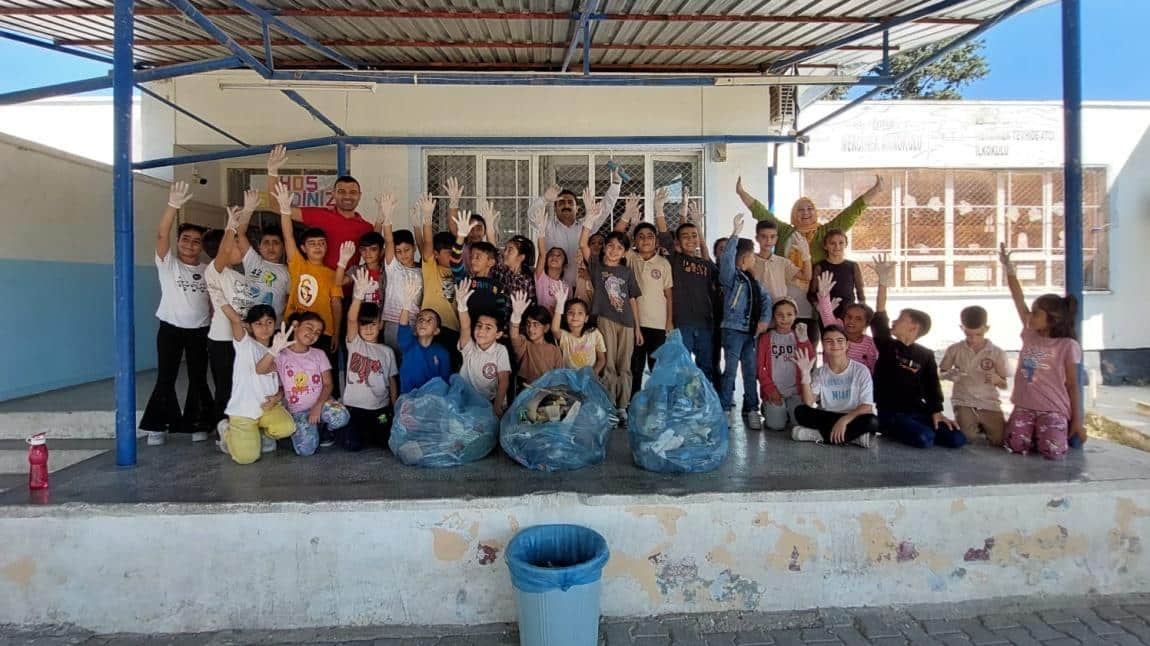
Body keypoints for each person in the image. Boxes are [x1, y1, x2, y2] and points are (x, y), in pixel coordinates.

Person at [737, 175, 883, 344]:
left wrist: (876, 190)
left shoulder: (824, 233)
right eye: (800, 209)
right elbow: (760, 212)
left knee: (809, 349)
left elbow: (851, 213)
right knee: (784, 349)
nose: (806, 213)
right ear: (794, 214)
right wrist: (741, 192)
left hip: (814, 304)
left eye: (810, 209)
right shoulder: (784, 232)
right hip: (785, 302)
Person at [139, 181, 215, 445]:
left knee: (198, 378)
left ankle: (198, 423)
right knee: (166, 376)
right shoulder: (167, 264)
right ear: (178, 242)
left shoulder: (208, 269)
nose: (191, 245)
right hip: (170, 328)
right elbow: (161, 236)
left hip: (200, 331)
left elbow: (214, 301)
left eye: (196, 242)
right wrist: (172, 206)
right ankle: (158, 426)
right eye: (186, 240)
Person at [999, 244, 1084, 459]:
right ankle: (1035, 434)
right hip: (1024, 406)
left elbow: (1073, 385)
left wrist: (1077, 421)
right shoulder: (1029, 334)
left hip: (1053, 409)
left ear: (1051, 320)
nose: (1030, 316)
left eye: (1036, 313)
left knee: (1054, 452)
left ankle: (1049, 433)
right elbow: (1018, 299)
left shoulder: (1067, 346)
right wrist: (1009, 269)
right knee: (1015, 444)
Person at [870, 255, 964, 448]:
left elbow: (932, 386)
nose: (894, 321)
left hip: (917, 410)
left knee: (957, 439)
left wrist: (936, 411)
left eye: (900, 319)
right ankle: (896, 430)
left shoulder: (926, 355)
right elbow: (880, 312)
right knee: (925, 438)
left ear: (914, 327)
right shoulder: (888, 346)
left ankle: (923, 427)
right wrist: (883, 281)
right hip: (891, 413)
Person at [579, 188, 643, 417]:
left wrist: (637, 327)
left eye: (620, 247)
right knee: (607, 364)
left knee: (625, 365)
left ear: (625, 252)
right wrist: (588, 219)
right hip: (605, 319)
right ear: (605, 247)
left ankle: (622, 406)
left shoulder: (626, 272)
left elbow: (633, 299)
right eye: (611, 245)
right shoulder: (597, 266)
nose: (614, 250)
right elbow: (583, 245)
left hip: (626, 322)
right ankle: (608, 404)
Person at [272, 181, 346, 369]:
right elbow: (288, 236)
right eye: (312, 243)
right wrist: (285, 210)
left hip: (324, 332)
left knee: (326, 374)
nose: (318, 246)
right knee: (293, 372)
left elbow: (336, 304)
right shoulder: (298, 264)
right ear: (303, 248)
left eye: (322, 243)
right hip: (294, 327)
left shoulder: (333, 274)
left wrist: (336, 333)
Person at [204, 197, 262, 429]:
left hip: (244, 338)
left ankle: (243, 423)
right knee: (226, 384)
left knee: (245, 382)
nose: (240, 246)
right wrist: (230, 227)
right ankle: (223, 426)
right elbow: (226, 247)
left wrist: (247, 212)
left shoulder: (237, 274)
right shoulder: (215, 270)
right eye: (235, 244)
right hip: (223, 341)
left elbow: (239, 236)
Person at [266, 144, 372, 270]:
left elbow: (376, 259)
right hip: (316, 286)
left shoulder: (366, 228)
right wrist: (272, 173)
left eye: (353, 192)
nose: (347, 196)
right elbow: (275, 206)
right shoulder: (320, 215)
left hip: (352, 287)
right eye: (342, 191)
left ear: (360, 196)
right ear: (333, 194)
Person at [653, 187, 719, 381]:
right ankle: (681, 403)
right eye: (686, 236)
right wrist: (659, 209)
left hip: (706, 323)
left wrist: (698, 225)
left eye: (694, 235)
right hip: (683, 323)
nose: (691, 239)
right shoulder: (675, 259)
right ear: (678, 243)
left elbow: (710, 263)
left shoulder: (706, 264)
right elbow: (664, 233)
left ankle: (703, 403)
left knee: (705, 366)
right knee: (681, 366)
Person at [217, 306, 295, 465]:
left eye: (269, 322)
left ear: (275, 324)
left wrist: (277, 398)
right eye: (258, 323)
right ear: (250, 326)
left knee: (287, 427)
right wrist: (218, 294)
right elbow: (260, 369)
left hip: (268, 407)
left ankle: (262, 435)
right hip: (244, 410)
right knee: (246, 458)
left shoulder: (279, 348)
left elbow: (283, 384)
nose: (265, 327)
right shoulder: (245, 344)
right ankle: (226, 431)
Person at [614, 197, 674, 396]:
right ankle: (633, 403)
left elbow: (669, 295)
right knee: (635, 367)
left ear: (656, 241)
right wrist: (627, 215)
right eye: (641, 236)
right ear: (634, 241)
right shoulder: (631, 258)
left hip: (658, 325)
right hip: (635, 324)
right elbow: (616, 237)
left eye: (650, 236)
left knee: (658, 369)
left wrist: (669, 322)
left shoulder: (664, 264)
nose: (645, 240)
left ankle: (657, 404)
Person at [719, 214, 773, 430]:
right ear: (743, 259)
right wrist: (735, 235)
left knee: (750, 371)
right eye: (751, 257)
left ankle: (752, 408)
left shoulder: (755, 283)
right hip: (732, 331)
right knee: (730, 371)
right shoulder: (732, 279)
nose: (753, 260)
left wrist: (764, 321)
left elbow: (766, 301)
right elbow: (726, 263)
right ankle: (724, 408)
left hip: (751, 334)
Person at [789, 326, 880, 447]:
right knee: (800, 411)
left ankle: (817, 435)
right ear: (824, 345)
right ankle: (853, 438)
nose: (835, 344)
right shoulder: (820, 372)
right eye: (829, 341)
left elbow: (867, 406)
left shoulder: (861, 371)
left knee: (872, 421)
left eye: (839, 340)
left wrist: (844, 420)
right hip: (829, 416)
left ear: (847, 344)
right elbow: (809, 402)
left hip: (852, 417)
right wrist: (805, 375)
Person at [341, 268, 399, 452]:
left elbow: (392, 380)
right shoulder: (355, 343)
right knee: (353, 445)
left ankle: (373, 432)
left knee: (385, 442)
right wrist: (358, 295)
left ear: (381, 325)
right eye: (363, 324)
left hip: (380, 408)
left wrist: (394, 405)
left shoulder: (387, 351)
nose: (368, 328)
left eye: (373, 324)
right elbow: (350, 319)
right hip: (355, 408)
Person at [276, 312, 350, 455]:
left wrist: (318, 406)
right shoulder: (281, 355)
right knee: (306, 450)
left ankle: (323, 428)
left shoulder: (319, 354)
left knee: (341, 416)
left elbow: (328, 384)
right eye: (309, 328)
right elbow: (267, 375)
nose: (313, 334)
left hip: (320, 405)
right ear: (296, 326)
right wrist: (274, 350)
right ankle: (296, 432)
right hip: (297, 411)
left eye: (317, 332)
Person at [528, 174, 621, 287]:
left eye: (570, 203)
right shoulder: (547, 226)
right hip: (552, 288)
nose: (566, 205)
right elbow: (532, 216)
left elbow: (605, 209)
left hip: (581, 287)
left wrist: (616, 184)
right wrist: (544, 199)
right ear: (555, 209)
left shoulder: (587, 225)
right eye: (561, 203)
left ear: (577, 209)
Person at [940, 305, 1009, 446]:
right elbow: (940, 373)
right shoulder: (954, 349)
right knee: (967, 438)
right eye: (968, 335)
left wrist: (997, 380)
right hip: (964, 401)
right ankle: (973, 425)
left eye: (978, 335)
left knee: (999, 441)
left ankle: (983, 425)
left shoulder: (997, 353)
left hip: (989, 403)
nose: (973, 339)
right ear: (962, 328)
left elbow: (1004, 385)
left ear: (986, 329)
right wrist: (949, 375)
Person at [415, 193, 462, 366]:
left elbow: (459, 237)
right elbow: (427, 244)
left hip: (454, 329)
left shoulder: (459, 270)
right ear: (436, 254)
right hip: (431, 329)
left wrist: (454, 204)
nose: (453, 255)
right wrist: (427, 218)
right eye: (448, 252)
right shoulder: (431, 268)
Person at [455, 278, 511, 417]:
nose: (481, 331)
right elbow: (465, 326)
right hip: (466, 401)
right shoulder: (469, 347)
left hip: (490, 402)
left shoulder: (500, 350)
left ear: (498, 334)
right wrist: (462, 306)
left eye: (488, 328)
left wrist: (497, 406)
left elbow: (504, 379)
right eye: (479, 326)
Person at [376, 192, 423, 355]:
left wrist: (417, 223)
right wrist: (388, 217)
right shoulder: (393, 267)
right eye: (398, 251)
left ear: (414, 248)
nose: (403, 254)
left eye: (407, 250)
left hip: (414, 322)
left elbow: (425, 247)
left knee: (411, 361)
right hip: (393, 322)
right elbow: (388, 240)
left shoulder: (421, 270)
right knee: (393, 362)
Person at [756, 299, 813, 431]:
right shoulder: (766, 338)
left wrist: (803, 341)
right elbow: (760, 368)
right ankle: (768, 407)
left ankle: (787, 410)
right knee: (777, 425)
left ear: (795, 316)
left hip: (795, 392)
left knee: (798, 423)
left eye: (789, 314)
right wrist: (770, 390)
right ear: (773, 316)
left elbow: (809, 360)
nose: (784, 319)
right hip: (775, 391)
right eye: (779, 314)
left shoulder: (798, 335)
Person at [813, 271, 878, 373]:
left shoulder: (870, 344)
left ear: (866, 323)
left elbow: (873, 370)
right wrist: (823, 296)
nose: (851, 321)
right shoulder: (837, 330)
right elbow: (826, 315)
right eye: (849, 316)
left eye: (858, 319)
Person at [396, 281, 452, 394]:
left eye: (429, 320)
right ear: (415, 327)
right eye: (420, 319)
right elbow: (403, 326)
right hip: (408, 401)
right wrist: (406, 305)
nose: (423, 322)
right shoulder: (409, 344)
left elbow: (445, 382)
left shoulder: (442, 352)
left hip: (431, 403)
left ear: (436, 331)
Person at [508, 291, 565, 388]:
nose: (530, 329)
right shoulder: (524, 344)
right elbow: (514, 336)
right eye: (528, 324)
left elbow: (560, 377)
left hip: (549, 393)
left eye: (536, 324)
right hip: (526, 391)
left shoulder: (555, 350)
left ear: (546, 328)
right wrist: (516, 318)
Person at [551, 282, 607, 376]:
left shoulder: (594, 333)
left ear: (586, 318)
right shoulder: (564, 336)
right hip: (569, 378)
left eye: (580, 313)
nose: (575, 316)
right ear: (565, 317)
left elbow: (602, 359)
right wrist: (560, 304)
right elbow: (554, 329)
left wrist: (594, 373)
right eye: (570, 312)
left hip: (589, 377)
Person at [807, 229, 865, 320]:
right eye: (832, 243)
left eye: (841, 243)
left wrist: (863, 311)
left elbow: (860, 291)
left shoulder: (853, 266)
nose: (837, 246)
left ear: (846, 244)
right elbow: (811, 293)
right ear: (825, 246)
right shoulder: (819, 267)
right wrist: (819, 307)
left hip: (848, 314)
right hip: (827, 313)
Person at [753, 219, 807, 302]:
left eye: (772, 236)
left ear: (776, 238)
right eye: (764, 236)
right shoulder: (749, 260)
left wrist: (806, 255)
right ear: (757, 238)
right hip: (757, 309)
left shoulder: (783, 262)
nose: (768, 240)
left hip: (778, 309)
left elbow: (806, 276)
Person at [534, 236, 570, 314]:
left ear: (565, 265)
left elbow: (569, 308)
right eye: (551, 254)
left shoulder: (567, 286)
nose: (554, 256)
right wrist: (541, 231)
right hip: (541, 321)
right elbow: (542, 254)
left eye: (558, 255)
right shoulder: (541, 277)